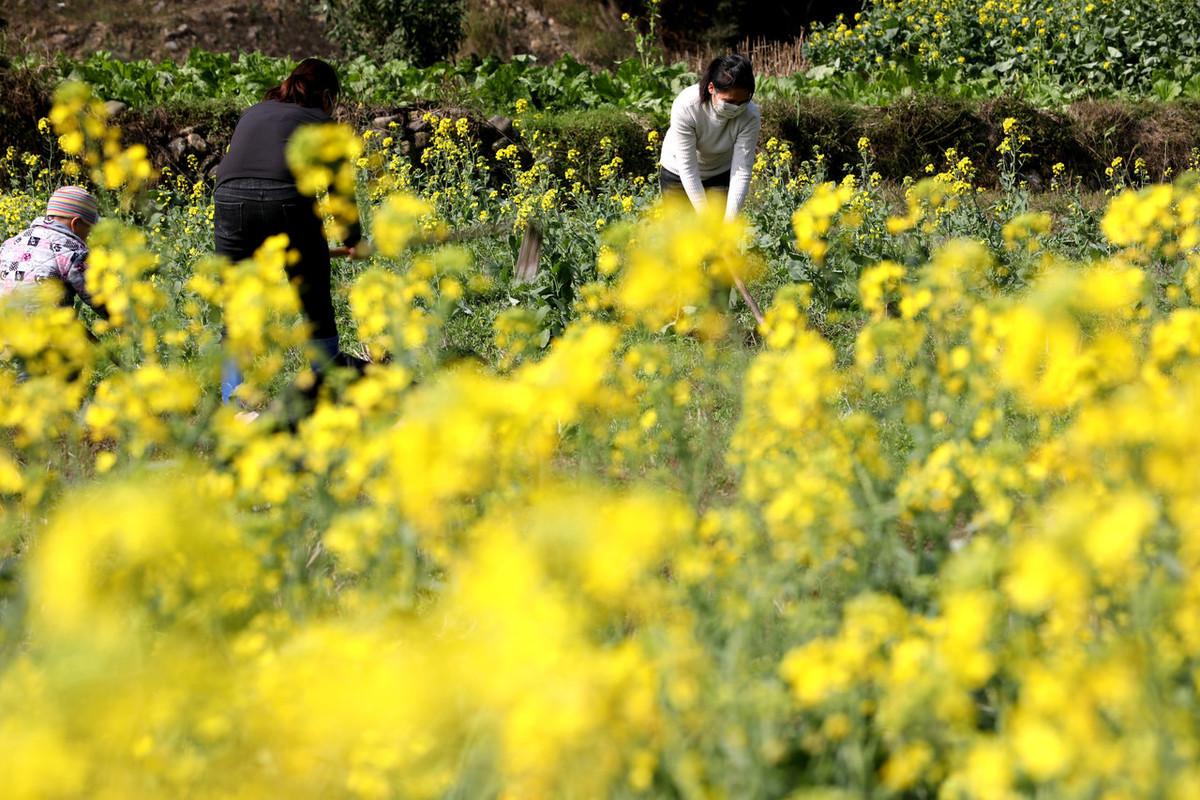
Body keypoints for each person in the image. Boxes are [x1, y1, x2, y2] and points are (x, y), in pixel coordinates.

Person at [213, 57, 365, 404]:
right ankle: (325, 392)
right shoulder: (322, 123)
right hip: (287, 197)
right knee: (315, 304)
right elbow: (338, 190)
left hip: (229, 198)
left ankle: (233, 405)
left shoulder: (254, 112)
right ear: (327, 96)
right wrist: (353, 240)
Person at [659, 54, 762, 221]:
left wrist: (728, 224)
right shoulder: (687, 106)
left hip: (719, 173)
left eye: (742, 102)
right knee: (681, 236)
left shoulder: (750, 115)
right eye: (729, 101)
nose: (736, 108)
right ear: (711, 88)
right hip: (678, 173)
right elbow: (688, 168)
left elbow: (741, 170)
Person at [0, 185, 104, 314]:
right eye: (89, 229)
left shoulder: (10, 244)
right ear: (75, 224)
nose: (89, 235)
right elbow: (101, 300)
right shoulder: (74, 251)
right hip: (46, 328)